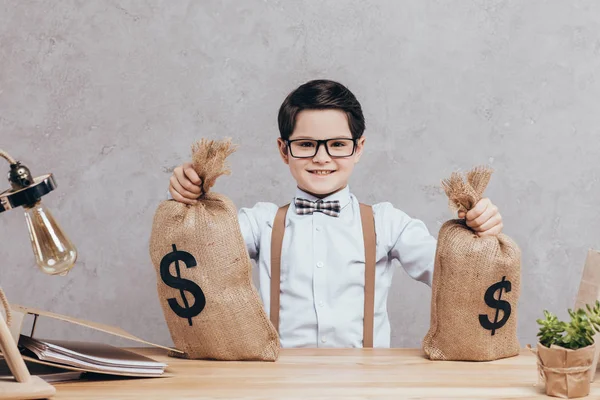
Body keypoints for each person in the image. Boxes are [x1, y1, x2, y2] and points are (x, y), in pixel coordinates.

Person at [168, 79, 503, 348]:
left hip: (364, 386)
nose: (321, 158)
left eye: (338, 144)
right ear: (284, 150)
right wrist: (190, 197)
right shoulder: (261, 223)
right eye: (306, 144)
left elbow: (458, 276)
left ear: (359, 148)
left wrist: (481, 232)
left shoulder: (388, 224)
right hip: (280, 386)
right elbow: (198, 258)